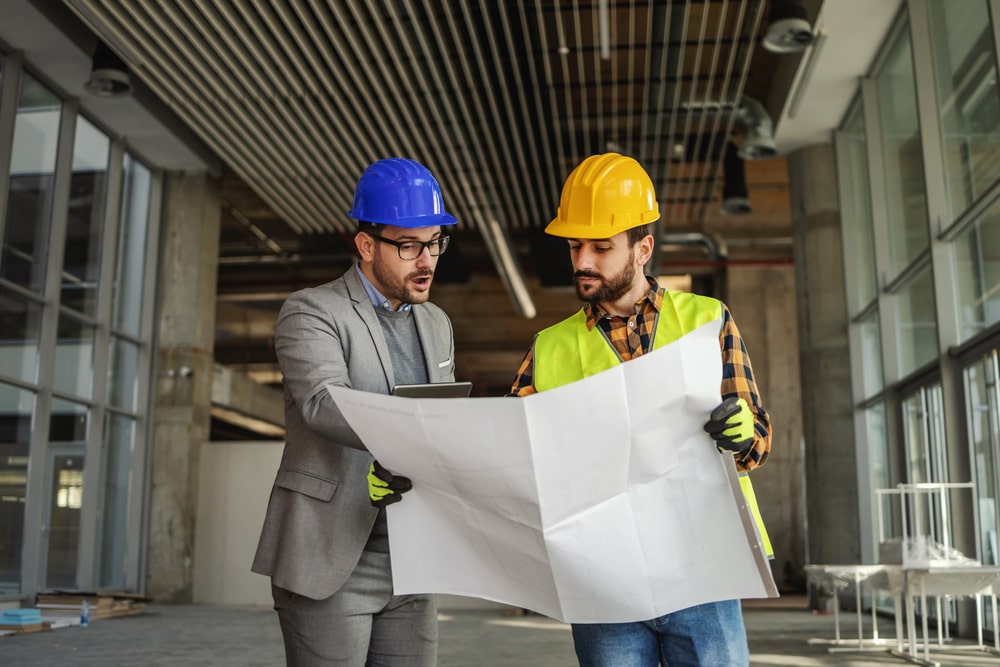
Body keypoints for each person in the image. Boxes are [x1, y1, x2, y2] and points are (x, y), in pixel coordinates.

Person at [507, 152, 772, 666]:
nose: (582, 260)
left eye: (601, 247)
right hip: (604, 577)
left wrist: (742, 432)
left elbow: (756, 442)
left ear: (643, 247)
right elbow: (507, 458)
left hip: (703, 566)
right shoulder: (548, 349)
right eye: (575, 245)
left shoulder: (707, 320)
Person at [252, 157, 459, 666]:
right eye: (408, 246)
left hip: (411, 557)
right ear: (366, 246)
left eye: (434, 243)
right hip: (332, 554)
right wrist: (407, 439)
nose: (426, 260)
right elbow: (324, 402)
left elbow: (442, 417)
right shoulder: (312, 311)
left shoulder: (436, 323)